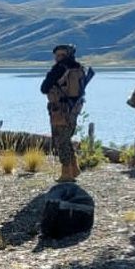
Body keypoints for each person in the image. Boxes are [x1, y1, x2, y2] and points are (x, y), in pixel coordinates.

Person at [40, 44, 87, 182]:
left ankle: (66, 173)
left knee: (61, 141)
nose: (58, 58)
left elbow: (44, 88)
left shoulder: (59, 69)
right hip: (74, 109)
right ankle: (74, 169)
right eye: (57, 55)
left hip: (60, 110)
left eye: (61, 55)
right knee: (66, 139)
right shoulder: (80, 69)